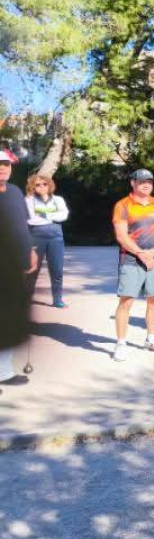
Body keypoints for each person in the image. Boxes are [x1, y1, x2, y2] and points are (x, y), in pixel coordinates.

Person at [112, 169, 154, 361]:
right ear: (133, 183)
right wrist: (140, 253)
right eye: (142, 181)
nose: (147, 184)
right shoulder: (122, 205)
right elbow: (121, 236)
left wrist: (153, 251)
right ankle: (121, 343)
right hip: (130, 259)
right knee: (126, 301)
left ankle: (151, 338)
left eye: (150, 182)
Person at [0, 148, 38, 390]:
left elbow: (22, 226)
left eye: (7, 165)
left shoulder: (14, 193)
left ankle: (3, 372)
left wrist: (31, 249)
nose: (3, 168)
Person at [25, 173, 69, 308]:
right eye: (38, 184)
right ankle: (26, 299)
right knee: (33, 270)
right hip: (36, 237)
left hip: (56, 238)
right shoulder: (28, 200)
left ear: (50, 185)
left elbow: (64, 216)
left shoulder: (58, 200)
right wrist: (53, 216)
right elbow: (31, 219)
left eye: (45, 184)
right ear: (33, 186)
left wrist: (45, 214)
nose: (42, 187)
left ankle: (57, 300)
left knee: (57, 270)